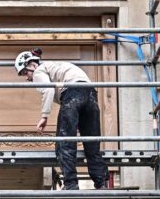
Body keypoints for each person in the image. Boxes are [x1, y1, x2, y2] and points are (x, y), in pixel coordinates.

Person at [15, 48, 109, 190]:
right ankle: (101, 183)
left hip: (72, 92)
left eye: (25, 73)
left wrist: (44, 116)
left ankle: (71, 184)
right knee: (92, 143)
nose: (27, 78)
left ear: (32, 65)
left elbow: (48, 89)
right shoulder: (56, 67)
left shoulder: (39, 71)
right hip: (90, 93)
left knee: (63, 143)